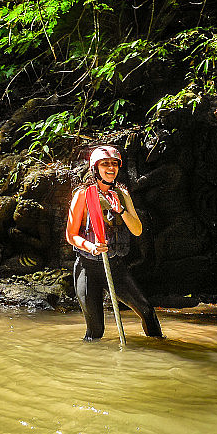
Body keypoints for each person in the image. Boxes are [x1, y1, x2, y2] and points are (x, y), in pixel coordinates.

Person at [66, 145, 163, 341]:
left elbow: (137, 230)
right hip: (87, 268)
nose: (111, 168)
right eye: (105, 164)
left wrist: (121, 211)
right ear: (95, 168)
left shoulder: (122, 194)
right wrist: (91, 247)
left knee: (147, 312)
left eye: (114, 164)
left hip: (115, 267)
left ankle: (160, 349)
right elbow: (71, 235)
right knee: (96, 331)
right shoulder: (82, 195)